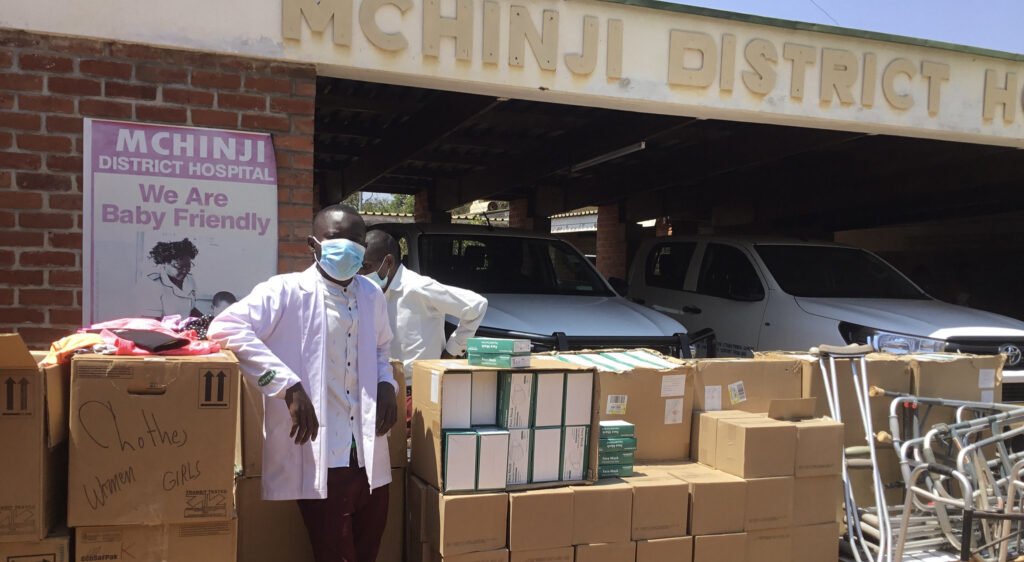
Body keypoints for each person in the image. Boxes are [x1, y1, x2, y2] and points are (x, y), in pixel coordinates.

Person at [208, 205, 398, 562]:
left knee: (368, 551)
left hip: (370, 454)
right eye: (335, 238)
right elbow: (224, 328)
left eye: (356, 240)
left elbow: (381, 349)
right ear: (314, 244)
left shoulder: (371, 295)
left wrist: (387, 383)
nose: (347, 247)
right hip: (323, 454)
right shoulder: (285, 291)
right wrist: (286, 386)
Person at [358, 230, 488, 385]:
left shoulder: (418, 287)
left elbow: (476, 305)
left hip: (419, 389)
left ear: (389, 262)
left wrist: (452, 351)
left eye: (366, 266)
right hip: (382, 387)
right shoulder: (369, 292)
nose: (360, 273)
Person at [141, 238, 203, 319]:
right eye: (178, 266)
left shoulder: (190, 280)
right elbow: (150, 320)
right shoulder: (152, 284)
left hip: (183, 329)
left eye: (188, 266)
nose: (184, 271)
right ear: (165, 263)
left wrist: (206, 319)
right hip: (162, 329)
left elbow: (189, 308)